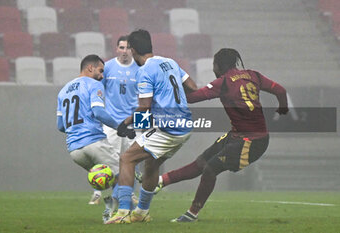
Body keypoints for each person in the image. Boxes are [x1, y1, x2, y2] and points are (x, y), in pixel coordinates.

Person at [155, 48, 289, 222]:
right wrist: (283, 108)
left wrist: (174, 85)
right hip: (239, 136)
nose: (213, 69)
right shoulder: (253, 76)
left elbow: (192, 98)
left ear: (218, 66)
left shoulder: (224, 82)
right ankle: (159, 182)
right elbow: (280, 91)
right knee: (201, 162)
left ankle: (192, 213)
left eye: (214, 65)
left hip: (252, 142)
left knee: (210, 168)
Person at [105, 29, 198, 224]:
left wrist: (127, 123)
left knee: (127, 159)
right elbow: (192, 86)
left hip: (168, 129)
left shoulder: (144, 71)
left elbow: (145, 107)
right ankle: (142, 212)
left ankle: (123, 213)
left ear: (133, 49)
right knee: (151, 163)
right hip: (185, 126)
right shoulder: (170, 62)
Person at [56, 54, 129, 211]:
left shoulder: (63, 92)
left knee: (109, 177)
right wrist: (120, 127)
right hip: (94, 142)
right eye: (100, 71)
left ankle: (113, 203)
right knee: (124, 174)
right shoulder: (93, 84)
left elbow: (60, 126)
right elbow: (99, 113)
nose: (102, 76)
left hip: (75, 150)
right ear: (90, 68)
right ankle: (116, 211)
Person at [89, 35, 140, 206]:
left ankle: (128, 194)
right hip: (112, 123)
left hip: (133, 122)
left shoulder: (140, 69)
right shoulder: (108, 67)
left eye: (127, 48)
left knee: (131, 160)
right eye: (121, 48)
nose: (124, 52)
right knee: (108, 158)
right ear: (117, 49)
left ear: (132, 50)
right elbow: (97, 90)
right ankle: (97, 191)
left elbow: (145, 97)